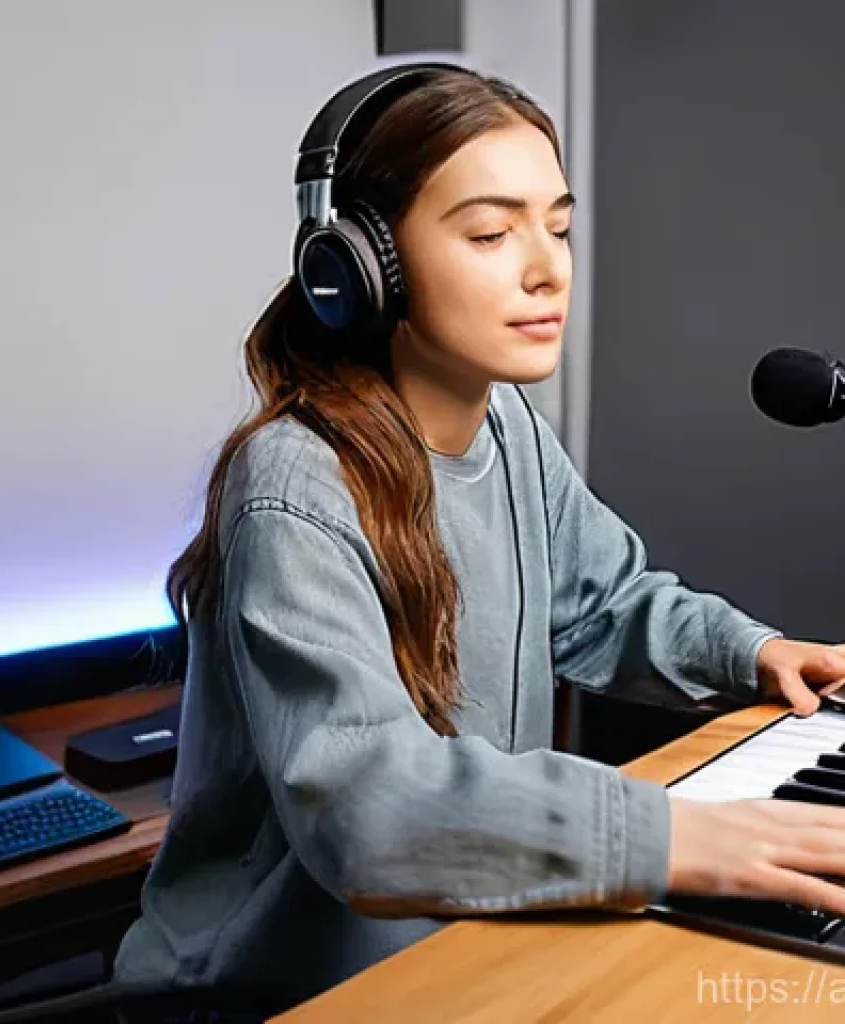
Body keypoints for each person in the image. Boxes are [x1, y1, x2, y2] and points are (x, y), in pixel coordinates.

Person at [112, 62, 845, 1019]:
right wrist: (669, 836)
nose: (547, 268)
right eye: (494, 233)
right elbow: (363, 803)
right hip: (280, 995)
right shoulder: (292, 484)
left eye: (560, 226)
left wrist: (750, 651)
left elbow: (605, 603)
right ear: (361, 267)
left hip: (454, 948)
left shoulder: (508, 428)